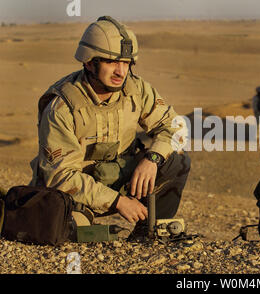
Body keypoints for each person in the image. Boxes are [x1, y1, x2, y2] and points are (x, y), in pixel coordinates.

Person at [29, 16, 190, 241]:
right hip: (75, 194)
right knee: (71, 231)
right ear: (88, 62)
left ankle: (148, 233)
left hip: (121, 177)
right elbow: (61, 176)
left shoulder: (136, 89)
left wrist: (153, 158)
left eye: (126, 63)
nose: (120, 72)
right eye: (111, 62)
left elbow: (176, 127)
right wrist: (117, 202)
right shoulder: (62, 107)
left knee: (176, 160)